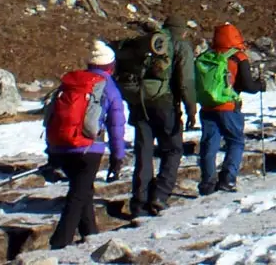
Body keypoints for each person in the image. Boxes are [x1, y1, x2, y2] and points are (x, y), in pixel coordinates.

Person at [45, 41, 127, 249]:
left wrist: (51, 150)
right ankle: (60, 241)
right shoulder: (108, 87)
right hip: (88, 149)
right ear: (111, 66)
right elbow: (116, 125)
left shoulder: (72, 82)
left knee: (83, 190)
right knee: (78, 194)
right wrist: (118, 157)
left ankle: (90, 233)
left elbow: (52, 115)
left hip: (61, 145)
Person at [118, 14, 196, 217]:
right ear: (182, 30)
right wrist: (191, 108)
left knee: (144, 151)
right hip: (164, 101)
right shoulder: (180, 46)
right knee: (172, 149)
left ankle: (139, 201)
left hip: (139, 101)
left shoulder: (150, 43)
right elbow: (186, 81)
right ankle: (160, 195)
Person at [195, 23, 251, 195]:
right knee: (236, 141)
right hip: (228, 106)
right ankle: (228, 179)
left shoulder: (207, 56)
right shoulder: (238, 57)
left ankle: (207, 182)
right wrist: (260, 85)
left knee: (209, 143)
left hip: (207, 106)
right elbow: (248, 85)